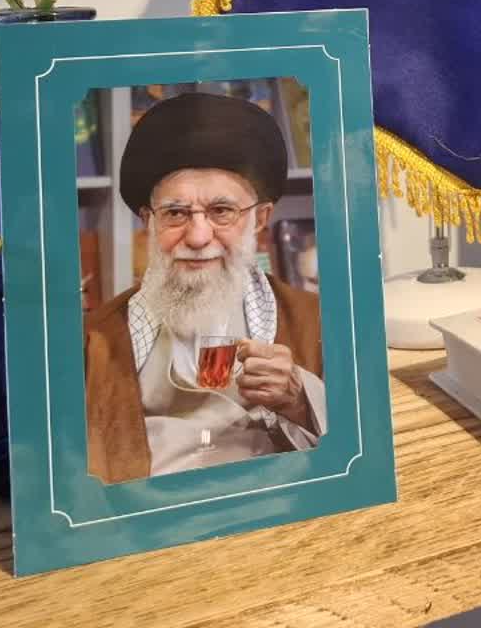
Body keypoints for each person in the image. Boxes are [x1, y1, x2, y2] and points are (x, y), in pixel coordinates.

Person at [83, 91, 324, 484]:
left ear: (260, 219)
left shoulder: (318, 322)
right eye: (175, 213)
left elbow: (364, 447)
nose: (197, 237)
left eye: (222, 211)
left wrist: (299, 399)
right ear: (149, 221)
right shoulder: (92, 341)